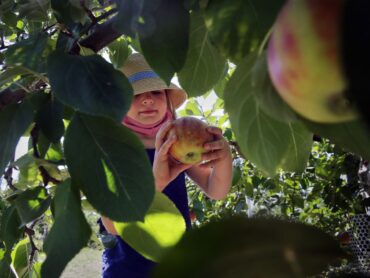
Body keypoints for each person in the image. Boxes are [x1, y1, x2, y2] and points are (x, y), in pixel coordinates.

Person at [98, 53, 233, 278]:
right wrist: (155, 184)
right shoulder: (113, 150)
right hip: (129, 268)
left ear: (168, 100)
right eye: (136, 94)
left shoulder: (176, 144)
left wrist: (224, 158)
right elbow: (113, 226)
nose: (148, 99)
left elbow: (216, 190)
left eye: (156, 92)